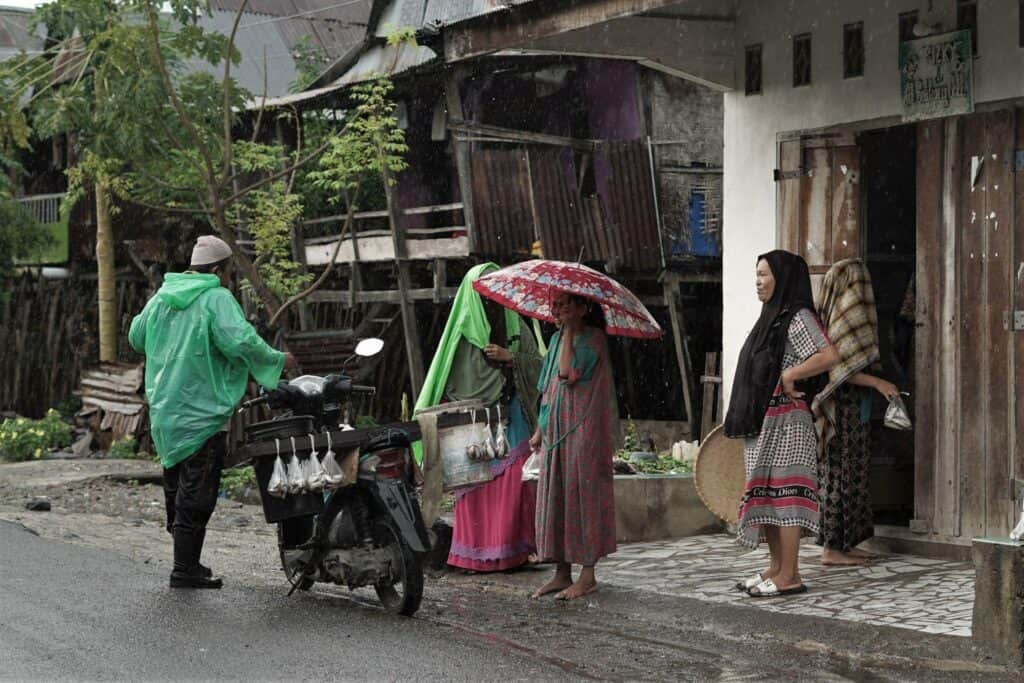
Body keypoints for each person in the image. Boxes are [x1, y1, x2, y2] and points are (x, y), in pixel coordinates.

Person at [129, 235, 295, 589]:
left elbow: (136, 336)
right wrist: (277, 361)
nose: (229, 278)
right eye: (230, 271)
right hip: (201, 410)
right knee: (199, 489)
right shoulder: (215, 298)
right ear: (219, 269)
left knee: (176, 483)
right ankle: (184, 569)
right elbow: (240, 342)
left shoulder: (163, 296)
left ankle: (186, 562)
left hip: (166, 408)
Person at [414, 263, 544, 572]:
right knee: (475, 487)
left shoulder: (514, 325)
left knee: (515, 479)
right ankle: (477, 555)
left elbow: (540, 365)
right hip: (472, 424)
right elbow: (448, 381)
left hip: (512, 415)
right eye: (484, 289)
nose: (491, 296)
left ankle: (513, 552)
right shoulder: (459, 335)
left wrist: (511, 358)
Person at [724, 250, 838, 598]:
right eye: (756, 275)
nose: (758, 282)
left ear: (783, 278)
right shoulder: (771, 318)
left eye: (764, 275)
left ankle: (790, 574)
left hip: (787, 422)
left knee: (786, 497)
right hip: (763, 423)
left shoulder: (797, 316)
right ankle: (776, 568)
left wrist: (791, 374)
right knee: (769, 498)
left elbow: (828, 354)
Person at [812, 259, 899, 566]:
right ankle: (832, 549)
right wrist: (879, 382)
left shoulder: (828, 314)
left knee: (853, 475)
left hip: (852, 411)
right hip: (842, 410)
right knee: (840, 476)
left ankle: (847, 544)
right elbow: (841, 370)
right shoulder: (841, 317)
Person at [530, 292, 616, 600]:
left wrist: (567, 332)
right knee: (557, 497)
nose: (557, 310)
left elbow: (566, 373)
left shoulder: (593, 340)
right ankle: (561, 573)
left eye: (564, 305)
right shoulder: (553, 341)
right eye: (555, 305)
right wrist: (540, 430)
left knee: (583, 499)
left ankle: (588, 575)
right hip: (555, 432)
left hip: (583, 434)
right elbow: (548, 388)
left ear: (582, 308)